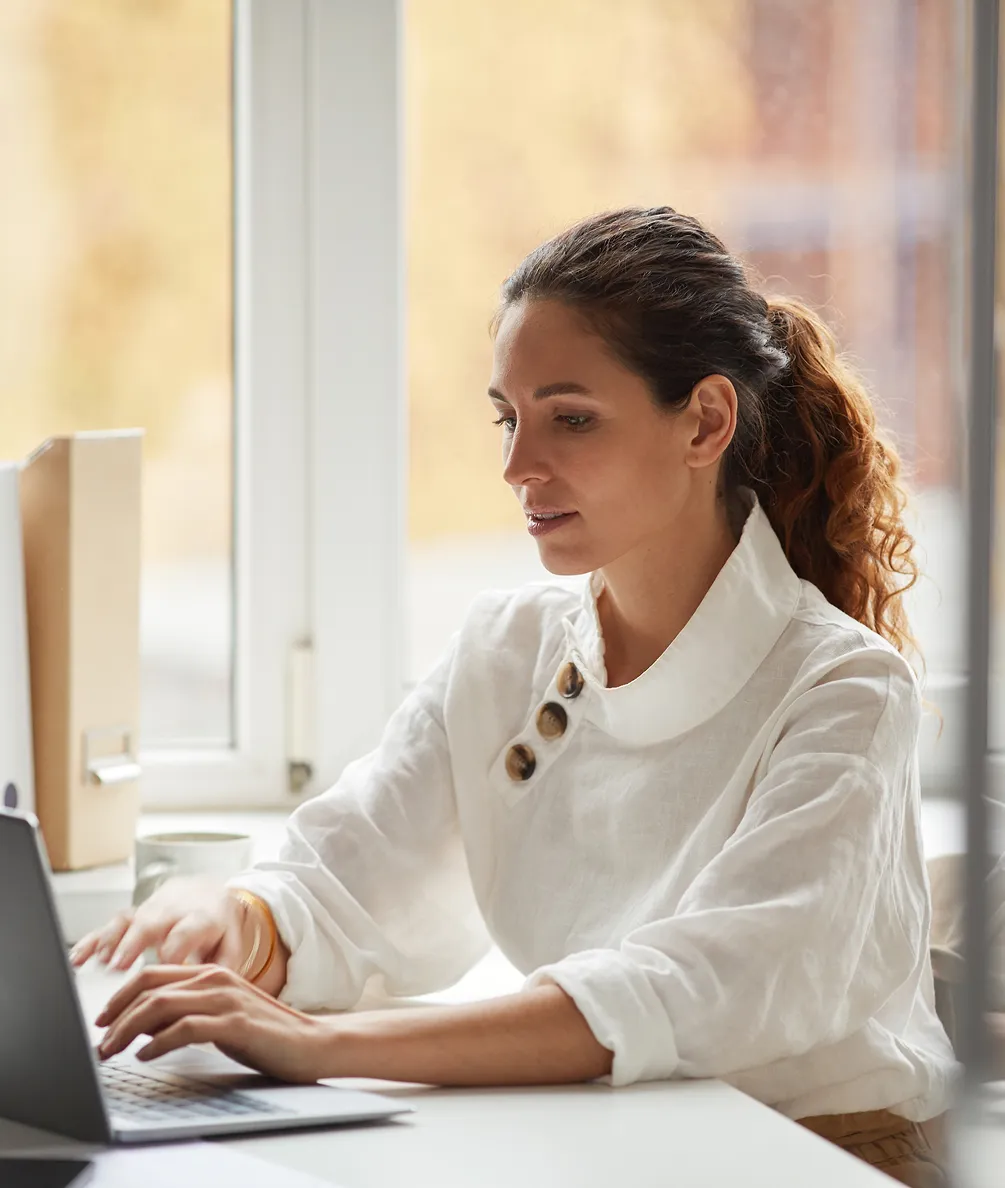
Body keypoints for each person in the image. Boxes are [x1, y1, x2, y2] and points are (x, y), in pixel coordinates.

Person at [72, 207, 956, 1185]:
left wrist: (326, 1047)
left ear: (705, 421)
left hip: (824, 1152)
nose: (516, 467)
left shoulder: (842, 690)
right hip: (632, 1138)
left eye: (570, 418)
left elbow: (701, 988)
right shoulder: (508, 649)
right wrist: (236, 920)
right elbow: (347, 886)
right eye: (508, 416)